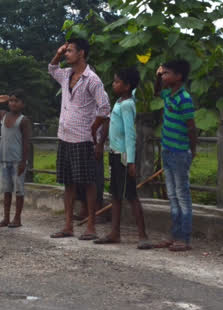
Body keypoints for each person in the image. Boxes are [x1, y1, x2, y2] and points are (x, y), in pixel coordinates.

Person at [48, 38, 111, 241]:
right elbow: (51, 68)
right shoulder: (66, 75)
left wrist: (96, 134)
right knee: (68, 183)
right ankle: (68, 225)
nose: (67, 54)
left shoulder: (92, 79)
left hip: (84, 138)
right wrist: (58, 53)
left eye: (70, 51)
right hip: (65, 136)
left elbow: (105, 108)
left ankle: (91, 226)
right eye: (66, 51)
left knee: (88, 183)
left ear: (81, 53)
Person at [93, 67, 151, 248]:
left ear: (126, 86)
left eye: (117, 81)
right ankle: (114, 233)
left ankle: (143, 235)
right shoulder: (119, 101)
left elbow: (130, 134)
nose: (114, 84)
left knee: (131, 196)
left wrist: (131, 161)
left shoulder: (127, 105)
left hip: (123, 156)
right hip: (114, 154)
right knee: (116, 195)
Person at [154, 59, 197, 252]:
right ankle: (175, 234)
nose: (163, 76)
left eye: (167, 73)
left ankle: (184, 238)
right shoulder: (168, 95)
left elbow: (191, 127)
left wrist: (192, 150)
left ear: (178, 76)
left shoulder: (184, 98)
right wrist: (157, 76)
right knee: (172, 195)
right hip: (168, 150)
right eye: (163, 74)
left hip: (179, 152)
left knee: (182, 195)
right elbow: (156, 92)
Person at [0, 90, 32, 228]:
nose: (13, 103)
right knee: (6, 190)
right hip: (4, 159)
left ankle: (17, 218)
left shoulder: (23, 120)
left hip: (18, 160)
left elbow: (26, 142)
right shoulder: (3, 115)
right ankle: (6, 218)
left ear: (23, 104)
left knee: (19, 190)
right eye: (11, 100)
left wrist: (24, 161)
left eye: (16, 101)